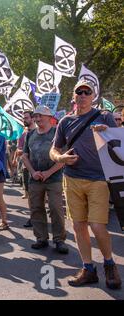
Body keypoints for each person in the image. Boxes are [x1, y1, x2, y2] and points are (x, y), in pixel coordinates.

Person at [50, 80, 121, 290]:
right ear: (74, 96)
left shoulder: (105, 116)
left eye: (86, 92)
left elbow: (117, 141)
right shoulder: (65, 121)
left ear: (93, 96)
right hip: (71, 179)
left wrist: (107, 129)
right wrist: (61, 158)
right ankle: (88, 269)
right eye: (79, 91)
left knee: (97, 226)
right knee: (79, 225)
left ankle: (109, 264)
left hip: (99, 179)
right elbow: (53, 151)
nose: (82, 95)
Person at [22, 106, 68, 254]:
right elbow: (24, 156)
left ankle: (59, 240)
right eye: (36, 116)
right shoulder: (31, 134)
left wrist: (48, 172)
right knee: (36, 208)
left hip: (54, 178)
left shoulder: (57, 133)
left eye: (41, 115)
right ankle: (41, 238)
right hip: (35, 179)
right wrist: (33, 172)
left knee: (56, 208)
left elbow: (63, 157)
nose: (37, 118)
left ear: (49, 117)